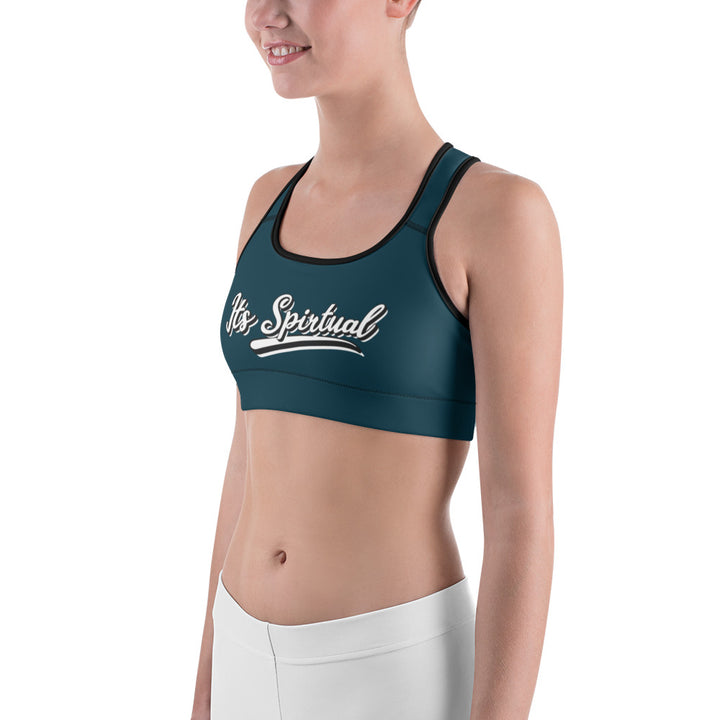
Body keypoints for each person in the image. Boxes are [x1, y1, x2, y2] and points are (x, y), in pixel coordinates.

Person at [191, 0, 563, 718]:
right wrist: (207, 686)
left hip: (389, 669)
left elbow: (519, 512)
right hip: (242, 651)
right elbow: (247, 458)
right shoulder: (267, 202)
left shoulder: (496, 214)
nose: (266, 14)